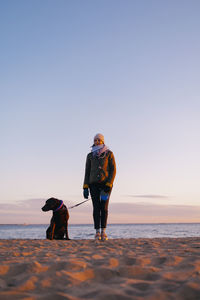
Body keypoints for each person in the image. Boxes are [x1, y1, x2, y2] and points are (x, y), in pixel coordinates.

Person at [83, 133, 116, 240]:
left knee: (104, 208)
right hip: (93, 185)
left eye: (99, 140)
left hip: (105, 186)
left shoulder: (109, 154)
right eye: (95, 140)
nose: (96, 141)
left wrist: (109, 184)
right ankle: (97, 232)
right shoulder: (89, 155)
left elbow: (113, 170)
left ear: (102, 141)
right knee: (96, 208)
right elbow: (87, 172)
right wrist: (85, 187)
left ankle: (104, 232)